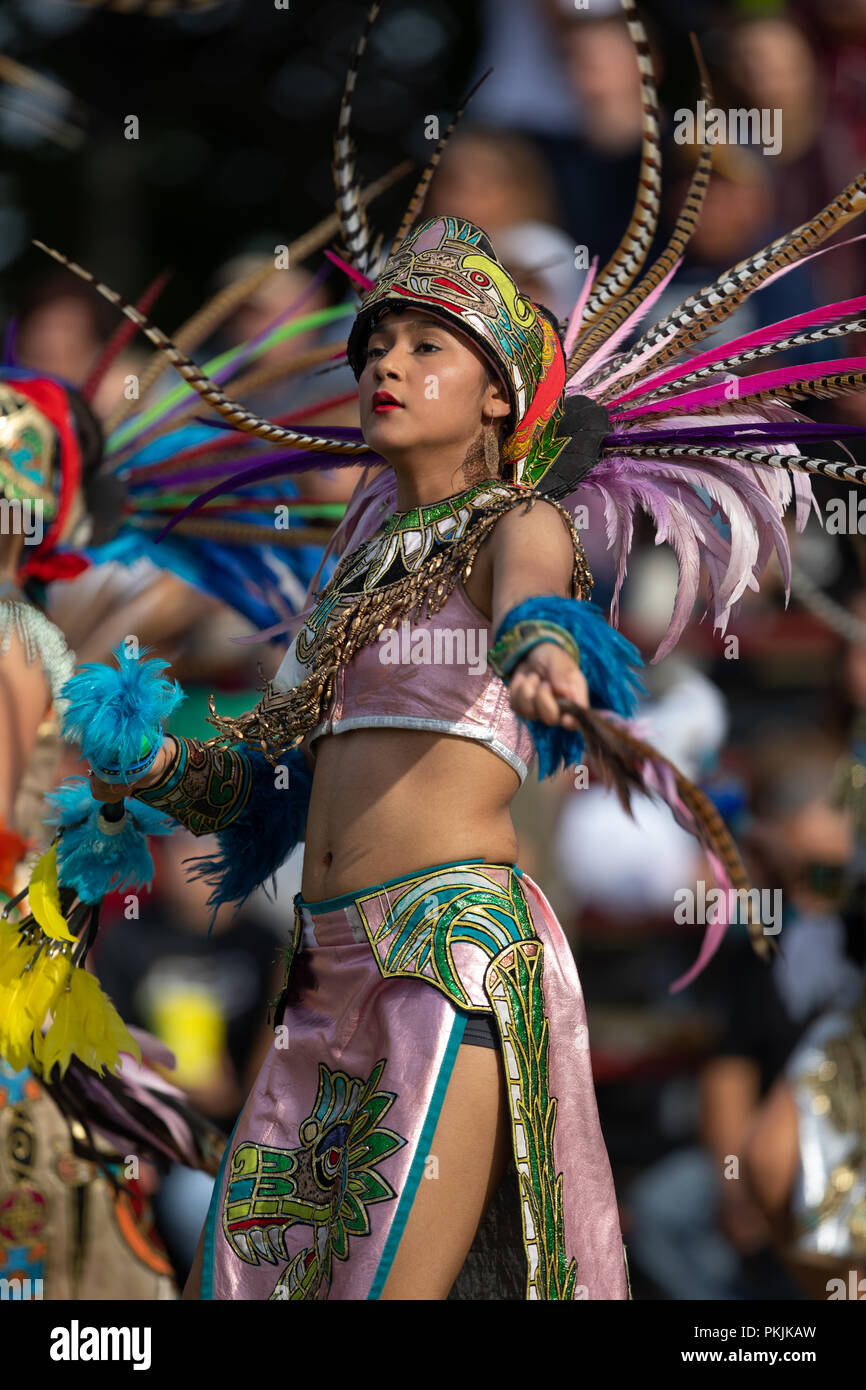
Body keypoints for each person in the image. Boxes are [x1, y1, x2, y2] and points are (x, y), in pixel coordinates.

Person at [12, 0, 866, 1302]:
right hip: (323, 966)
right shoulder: (354, 571)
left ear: (501, 394)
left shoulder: (513, 522)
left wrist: (543, 649)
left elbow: (535, 592)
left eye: (429, 346)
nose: (389, 365)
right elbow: (269, 780)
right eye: (378, 345)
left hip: (442, 953)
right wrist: (142, 763)